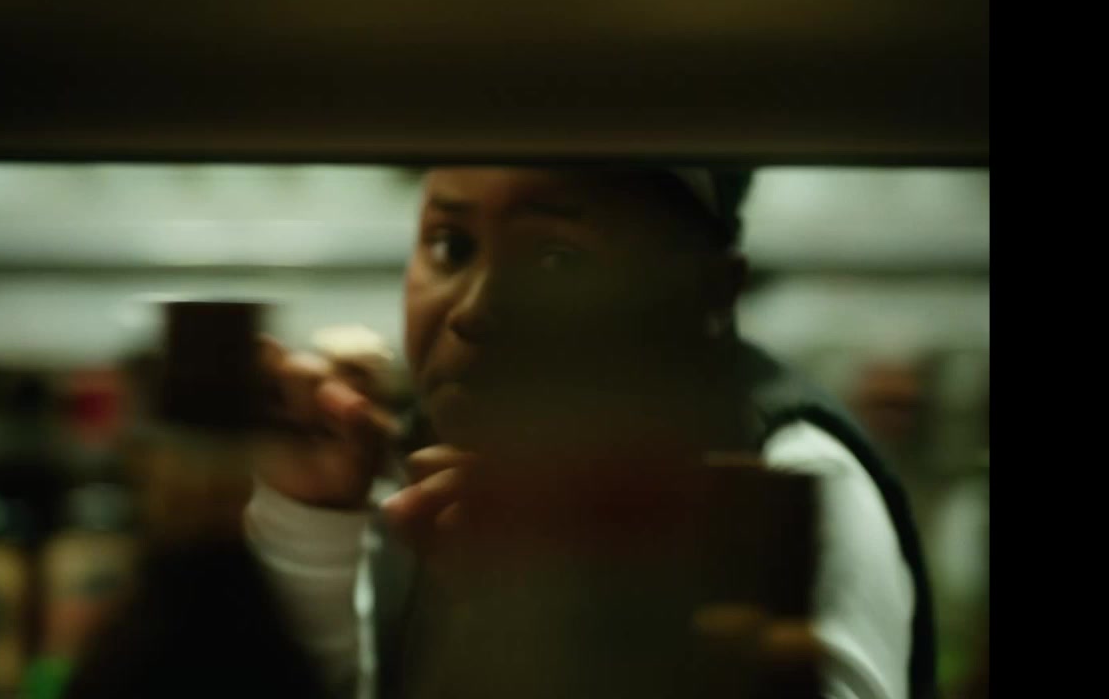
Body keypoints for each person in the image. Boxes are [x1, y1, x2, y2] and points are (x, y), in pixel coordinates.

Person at [246, 167, 936, 699]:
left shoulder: (788, 472)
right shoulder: (431, 455)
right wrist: (317, 527)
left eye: (556, 260)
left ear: (704, 297)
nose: (473, 312)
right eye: (450, 246)